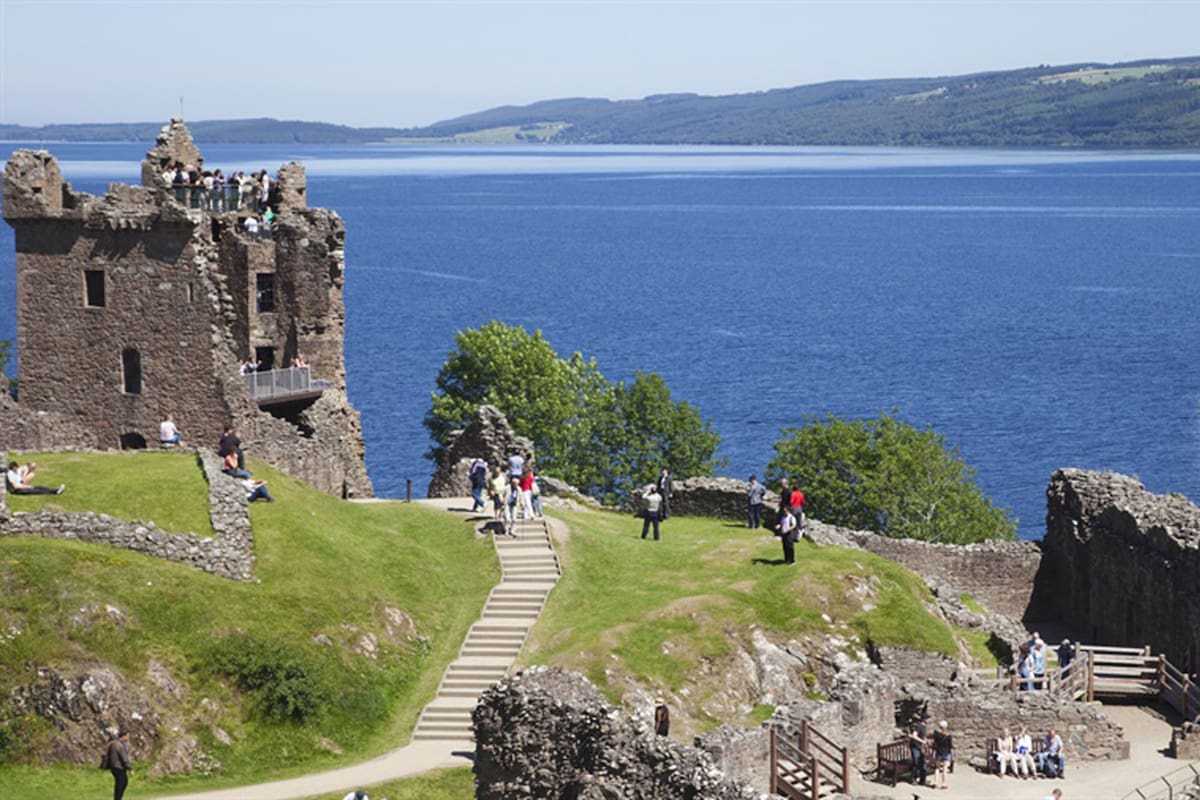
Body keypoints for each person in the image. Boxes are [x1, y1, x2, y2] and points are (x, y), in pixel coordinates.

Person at [104, 729, 132, 800]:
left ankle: (118, 798)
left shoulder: (115, 743)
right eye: (127, 736)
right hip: (118, 767)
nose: (128, 738)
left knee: (122, 782)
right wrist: (130, 768)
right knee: (121, 783)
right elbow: (124, 758)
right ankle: (117, 798)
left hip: (114, 766)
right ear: (124, 736)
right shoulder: (119, 745)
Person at [907, 710, 929, 786]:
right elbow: (914, 736)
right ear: (924, 719)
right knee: (915, 762)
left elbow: (923, 736)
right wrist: (923, 741)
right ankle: (913, 779)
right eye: (927, 718)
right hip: (915, 747)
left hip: (920, 747)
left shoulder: (924, 726)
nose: (928, 720)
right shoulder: (918, 726)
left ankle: (922, 780)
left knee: (923, 763)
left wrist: (925, 740)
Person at [932, 720, 953, 790]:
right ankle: (944, 783)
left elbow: (935, 744)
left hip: (939, 752)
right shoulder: (948, 736)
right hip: (946, 753)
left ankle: (935, 782)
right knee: (944, 769)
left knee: (937, 768)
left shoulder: (936, 735)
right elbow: (950, 745)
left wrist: (933, 752)